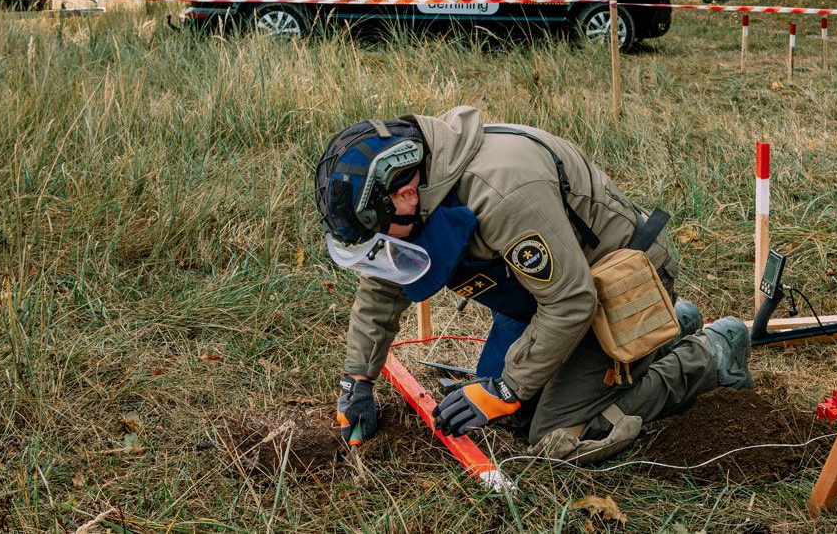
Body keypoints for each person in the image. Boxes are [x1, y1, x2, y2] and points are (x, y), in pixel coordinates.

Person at [316, 106, 752, 463]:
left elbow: (571, 302)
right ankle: (669, 326)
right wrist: (357, 381)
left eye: (380, 236)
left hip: (616, 287)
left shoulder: (502, 191)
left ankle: (708, 353)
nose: (383, 248)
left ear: (405, 197)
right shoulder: (416, 183)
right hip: (546, 294)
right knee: (507, 409)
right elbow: (384, 284)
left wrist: (506, 388)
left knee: (550, 435)